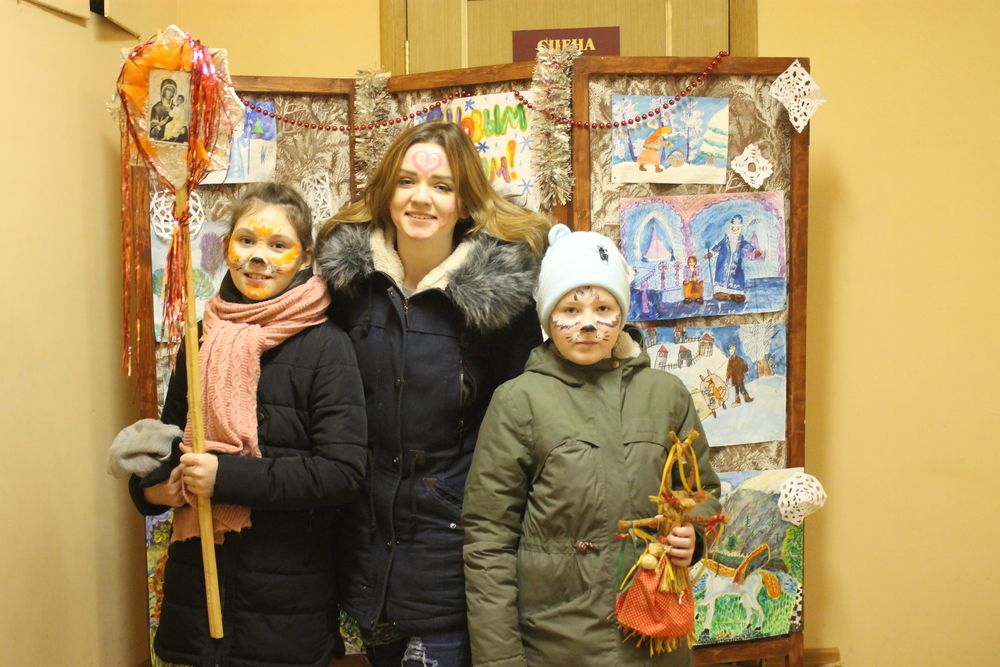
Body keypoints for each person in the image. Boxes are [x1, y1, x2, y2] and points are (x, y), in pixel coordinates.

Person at [315, 121, 550, 666]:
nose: (421, 197)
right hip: (365, 558)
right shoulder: (346, 286)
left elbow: (526, 431)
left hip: (452, 557)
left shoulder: (499, 304)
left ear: (463, 200)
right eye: (406, 181)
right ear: (386, 192)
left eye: (441, 186)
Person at [110, 183, 368, 667]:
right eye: (246, 240)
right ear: (227, 245)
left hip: (284, 611)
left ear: (304, 256)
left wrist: (225, 477)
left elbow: (342, 473)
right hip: (198, 599)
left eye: (278, 244)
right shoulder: (201, 337)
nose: (258, 258)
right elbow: (170, 441)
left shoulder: (327, 346)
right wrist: (153, 491)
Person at [463, 224, 721, 667]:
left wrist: (694, 534)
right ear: (547, 316)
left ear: (622, 313)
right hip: (557, 647)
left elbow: (702, 493)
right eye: (570, 308)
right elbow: (488, 540)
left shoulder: (667, 395)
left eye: (603, 307)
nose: (587, 323)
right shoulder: (518, 402)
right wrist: (500, 660)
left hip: (654, 640)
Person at [703, 214, 761, 303]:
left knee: (737, 276)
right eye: (733, 227)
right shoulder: (725, 239)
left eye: (737, 228)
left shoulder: (741, 241)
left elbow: (747, 245)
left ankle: (736, 293)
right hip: (723, 263)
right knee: (721, 275)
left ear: (740, 228)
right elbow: (718, 246)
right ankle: (721, 291)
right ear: (730, 227)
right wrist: (711, 253)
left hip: (736, 264)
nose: (735, 229)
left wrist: (754, 250)